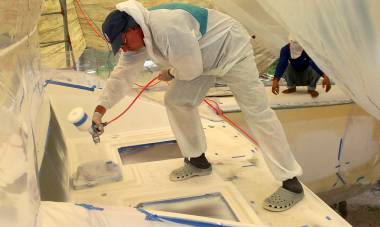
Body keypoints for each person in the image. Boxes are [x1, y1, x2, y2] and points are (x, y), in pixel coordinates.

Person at [93, 0, 304, 211]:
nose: (124, 49)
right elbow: (121, 76)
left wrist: (171, 72)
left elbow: (190, 70)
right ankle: (197, 161)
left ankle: (291, 182)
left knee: (257, 112)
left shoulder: (166, 25)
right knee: (176, 100)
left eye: (123, 42)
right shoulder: (136, 41)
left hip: (230, 49)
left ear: (133, 28)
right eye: (119, 47)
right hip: (201, 59)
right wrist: (100, 109)